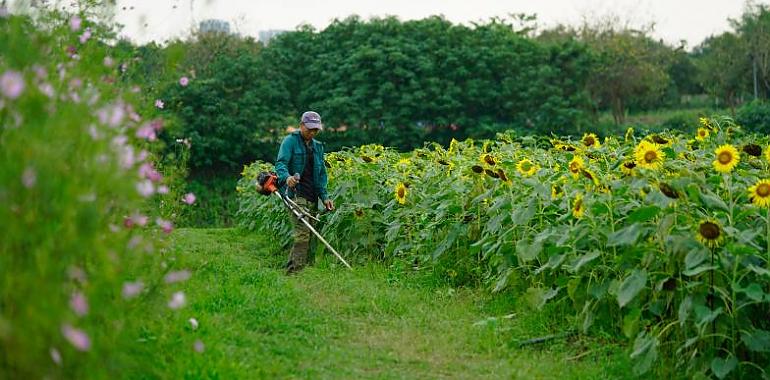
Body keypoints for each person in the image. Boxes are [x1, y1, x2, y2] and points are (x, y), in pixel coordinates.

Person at [275, 111, 334, 274]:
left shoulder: (317, 147)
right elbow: (280, 164)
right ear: (301, 125)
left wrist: (325, 197)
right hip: (295, 193)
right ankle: (295, 273)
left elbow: (321, 174)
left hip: (312, 195)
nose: (313, 132)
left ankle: (296, 269)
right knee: (302, 234)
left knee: (310, 235)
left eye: (316, 130)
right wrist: (287, 178)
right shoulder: (290, 142)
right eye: (310, 129)